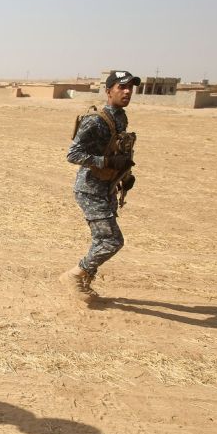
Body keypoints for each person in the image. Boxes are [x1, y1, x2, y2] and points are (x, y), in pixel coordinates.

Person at [60, 70, 140, 302]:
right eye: (121, 87)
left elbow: (119, 150)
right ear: (108, 92)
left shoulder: (121, 117)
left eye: (130, 88)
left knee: (100, 239)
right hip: (90, 189)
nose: (127, 92)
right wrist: (104, 162)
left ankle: (83, 283)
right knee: (112, 241)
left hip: (107, 187)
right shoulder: (96, 120)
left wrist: (124, 175)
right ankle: (75, 275)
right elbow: (73, 154)